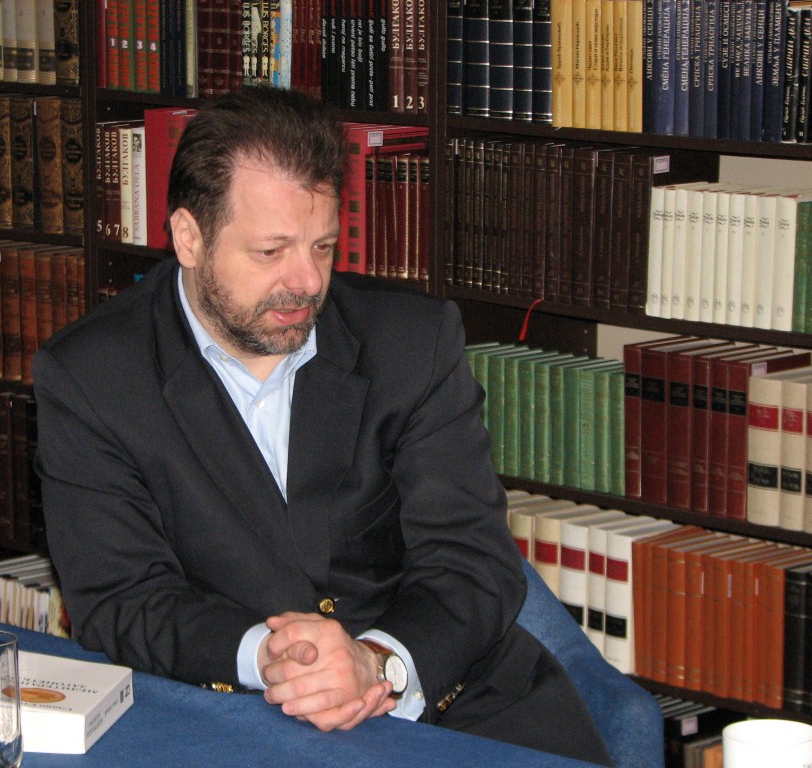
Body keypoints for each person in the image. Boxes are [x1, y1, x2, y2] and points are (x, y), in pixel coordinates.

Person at [33, 86, 611, 765]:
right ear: (189, 237)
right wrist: (271, 657)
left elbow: (471, 561)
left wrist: (376, 662)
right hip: (235, 718)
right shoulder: (94, 375)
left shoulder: (412, 340)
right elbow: (122, 599)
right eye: (271, 251)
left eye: (324, 246)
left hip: (451, 702)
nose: (307, 281)